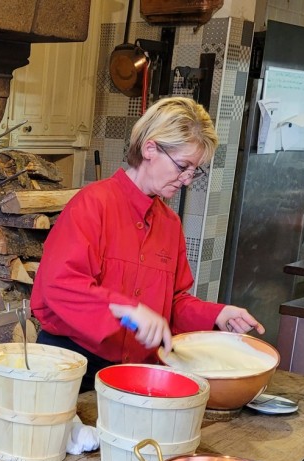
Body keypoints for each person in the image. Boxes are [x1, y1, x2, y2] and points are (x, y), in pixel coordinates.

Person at [30, 96, 264, 392]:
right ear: (150, 148)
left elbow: (172, 303)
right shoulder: (92, 205)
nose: (187, 180)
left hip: (134, 374)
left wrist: (216, 314)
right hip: (72, 369)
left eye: (195, 170)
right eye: (183, 166)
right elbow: (60, 287)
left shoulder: (169, 224)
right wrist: (127, 309)